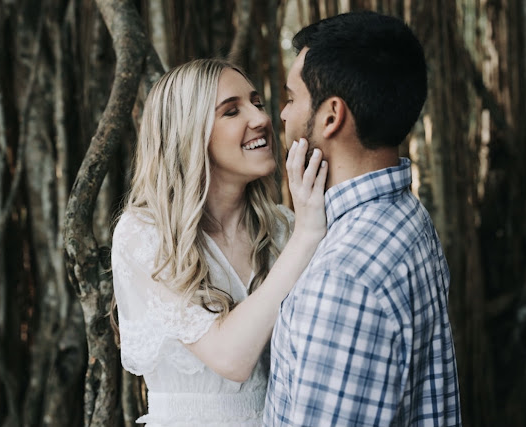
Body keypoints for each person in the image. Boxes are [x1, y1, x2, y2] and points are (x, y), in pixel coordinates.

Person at [264, 11, 462, 426]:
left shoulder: (342, 280)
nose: (280, 115)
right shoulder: (408, 218)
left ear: (331, 116)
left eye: (292, 98)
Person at [110, 58, 327, 426]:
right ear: (188, 133)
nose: (260, 119)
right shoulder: (145, 234)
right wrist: (307, 236)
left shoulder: (281, 228)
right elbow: (231, 359)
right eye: (231, 111)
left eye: (257, 103)